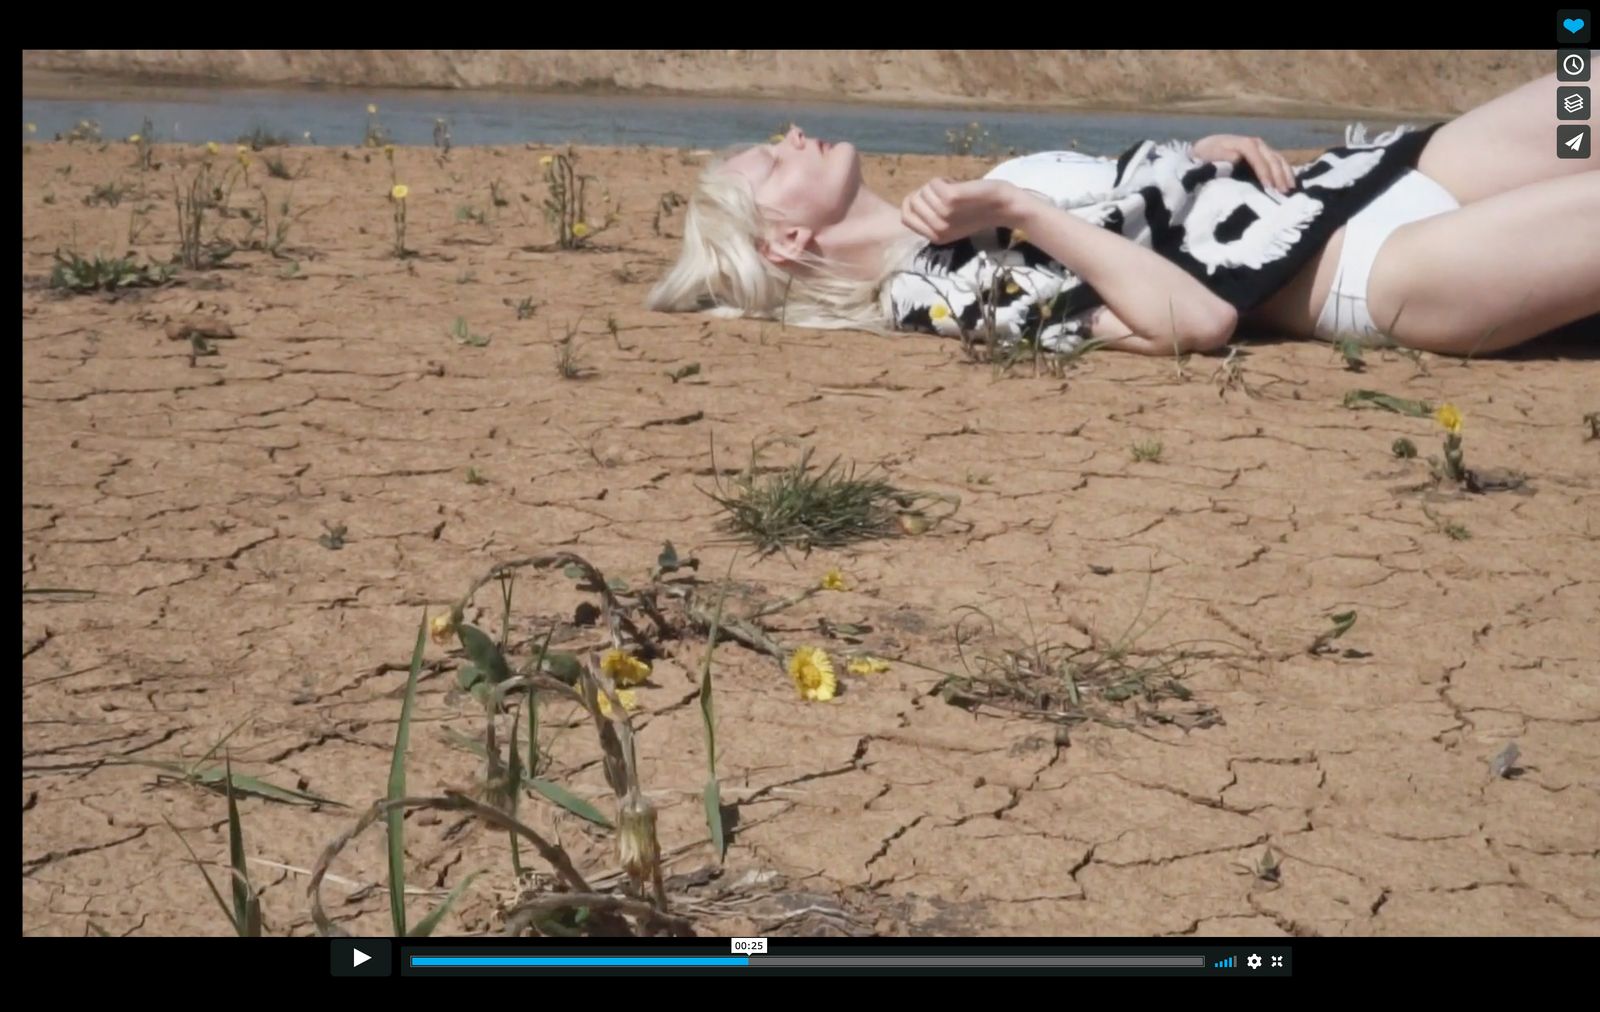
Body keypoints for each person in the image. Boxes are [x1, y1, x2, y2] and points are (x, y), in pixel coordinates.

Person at [646, 74, 1598, 357]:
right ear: (787, 239)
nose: (796, 130)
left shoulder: (974, 194)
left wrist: (1205, 157)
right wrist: (1015, 208)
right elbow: (1197, 319)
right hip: (1382, 265)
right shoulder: (939, 291)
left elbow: (1141, 206)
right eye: (774, 155)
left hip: (1362, 175)